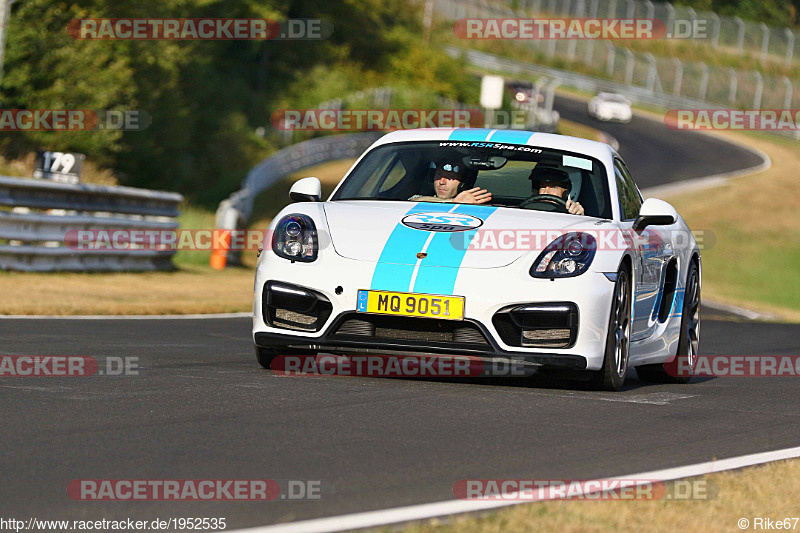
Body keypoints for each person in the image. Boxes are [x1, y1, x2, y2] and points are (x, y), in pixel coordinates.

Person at [410, 162, 492, 204]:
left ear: (463, 183)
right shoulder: (422, 199)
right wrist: (453, 201)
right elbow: (413, 200)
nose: (442, 182)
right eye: (439, 176)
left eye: (449, 177)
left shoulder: (476, 204)